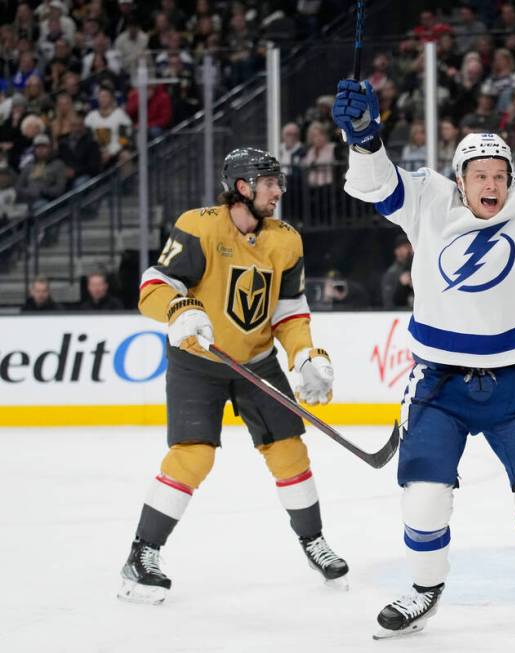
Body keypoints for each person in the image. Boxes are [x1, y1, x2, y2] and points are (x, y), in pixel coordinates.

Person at [333, 50, 515, 637]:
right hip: (438, 385)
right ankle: (425, 590)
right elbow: (376, 186)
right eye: (480, 176)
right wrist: (365, 137)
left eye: (499, 175)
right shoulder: (428, 200)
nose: (491, 185)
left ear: (509, 180)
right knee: (423, 499)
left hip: (510, 384)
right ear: (460, 179)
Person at [117, 147, 346, 605]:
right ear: (243, 187)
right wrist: (178, 308)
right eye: (270, 183)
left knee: (289, 453)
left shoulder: (286, 240)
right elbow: (152, 286)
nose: (279, 190)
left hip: (257, 362)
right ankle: (142, 555)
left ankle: (313, 543)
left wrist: (304, 356)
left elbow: (289, 311)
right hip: (198, 362)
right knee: (193, 456)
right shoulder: (199, 226)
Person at [380, 233, 414, 309]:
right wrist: (401, 285)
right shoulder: (392, 273)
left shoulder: (417, 267)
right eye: (406, 247)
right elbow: (388, 301)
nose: (409, 250)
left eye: (410, 247)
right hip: (400, 312)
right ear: (397, 251)